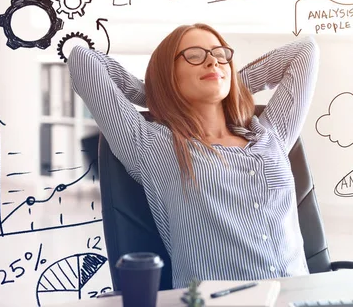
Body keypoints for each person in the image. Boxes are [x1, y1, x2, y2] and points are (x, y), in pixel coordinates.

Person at [67, 23, 320, 288]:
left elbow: (305, 51)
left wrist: (230, 81)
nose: (212, 61)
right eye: (195, 56)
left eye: (220, 55)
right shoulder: (153, 146)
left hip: (296, 296)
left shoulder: (270, 134)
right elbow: (83, 60)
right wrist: (157, 93)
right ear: (169, 74)